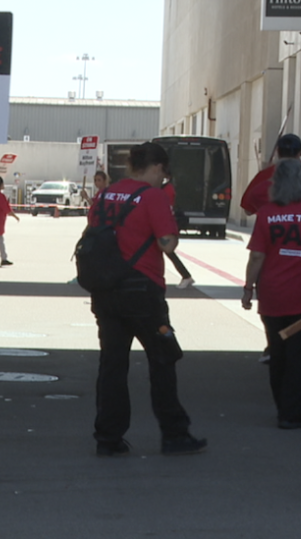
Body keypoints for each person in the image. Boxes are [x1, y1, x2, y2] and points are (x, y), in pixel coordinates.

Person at [86, 142, 206, 458]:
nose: (162, 180)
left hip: (106, 290)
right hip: (143, 291)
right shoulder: (151, 196)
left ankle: (108, 437)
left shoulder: (104, 194)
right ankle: (174, 433)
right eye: (162, 174)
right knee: (163, 358)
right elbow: (166, 243)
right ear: (155, 168)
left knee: (112, 364)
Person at [240, 159, 301, 429]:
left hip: (273, 295)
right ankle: (292, 413)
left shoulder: (267, 213)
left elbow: (257, 257)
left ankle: (282, 405)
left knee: (278, 354)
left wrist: (248, 289)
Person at [240, 133, 301, 215]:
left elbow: (248, 210)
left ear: (278, 152)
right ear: (300, 153)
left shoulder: (264, 175)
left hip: (270, 225)